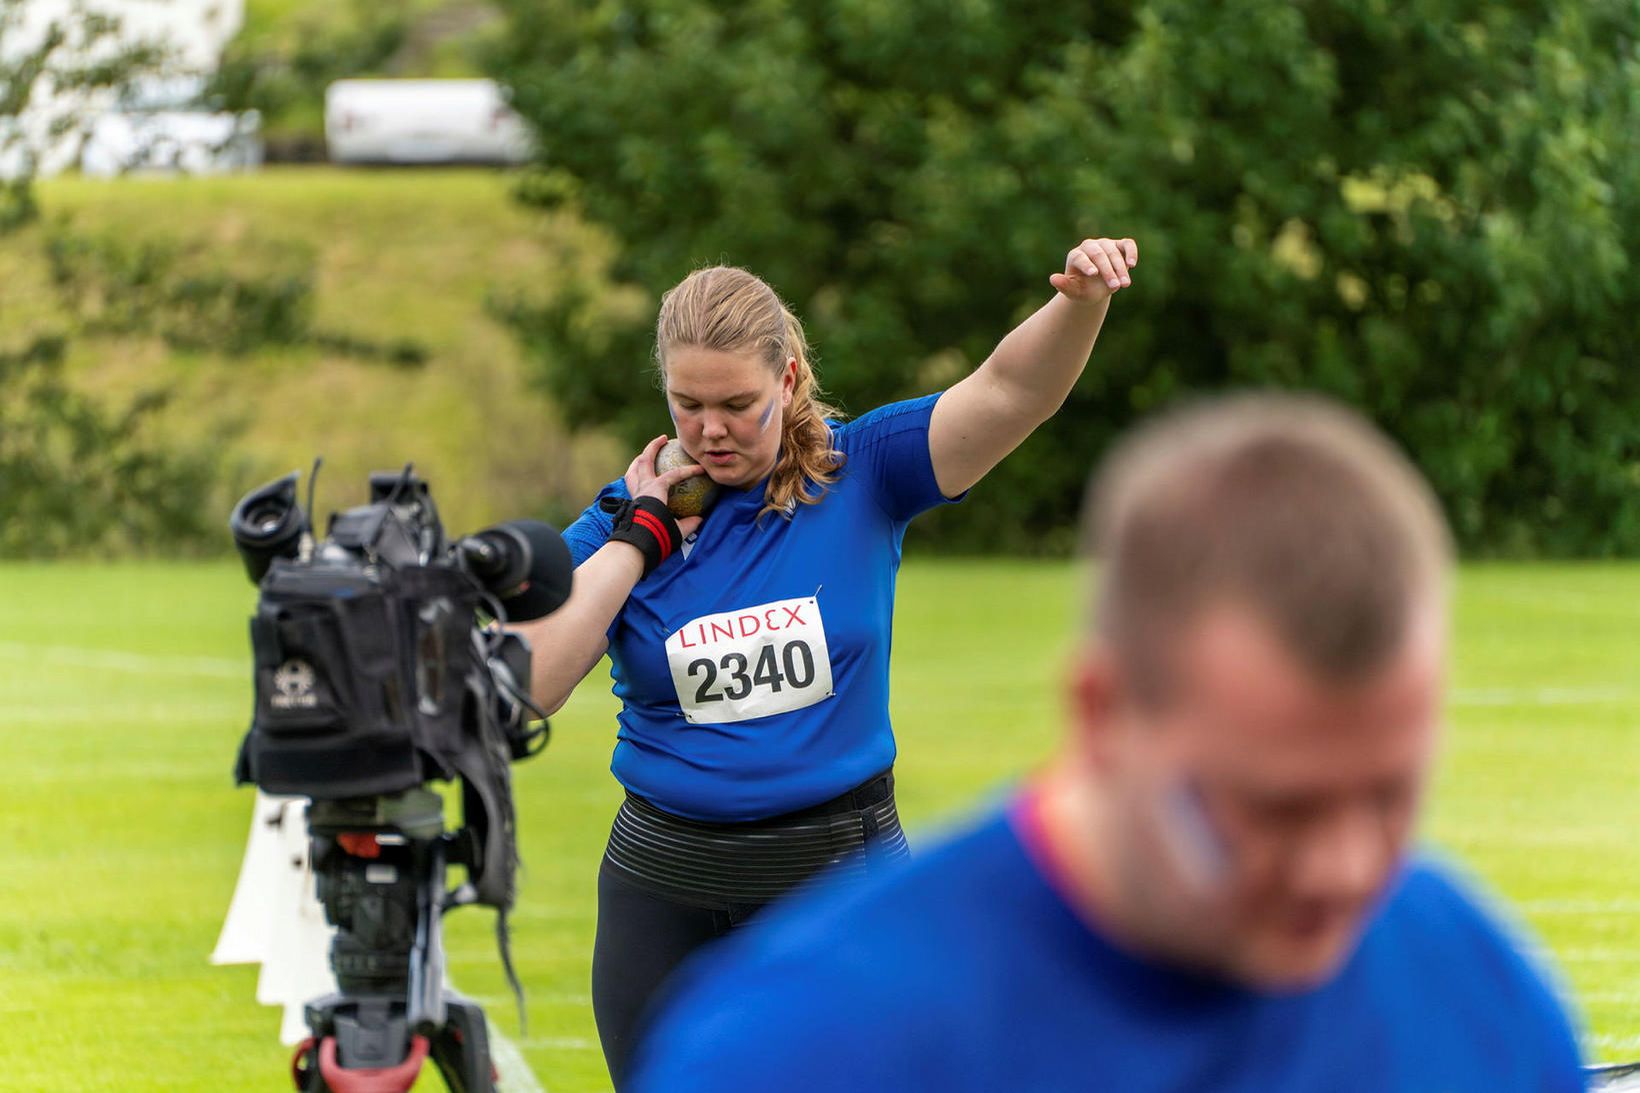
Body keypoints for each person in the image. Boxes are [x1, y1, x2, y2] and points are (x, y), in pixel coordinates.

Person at [628, 394, 1587, 1092]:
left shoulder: (1477, 996)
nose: (1341, 869)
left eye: (1389, 793)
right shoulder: (804, 1044)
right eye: (1272, 806)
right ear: (1104, 715)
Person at [513, 236, 1140, 1084]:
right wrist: (641, 538)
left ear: (790, 378)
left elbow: (1008, 390)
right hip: (664, 897)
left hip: (842, 883)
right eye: (687, 403)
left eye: (737, 402)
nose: (710, 429)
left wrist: (1079, 303)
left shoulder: (866, 472)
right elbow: (530, 684)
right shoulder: (626, 522)